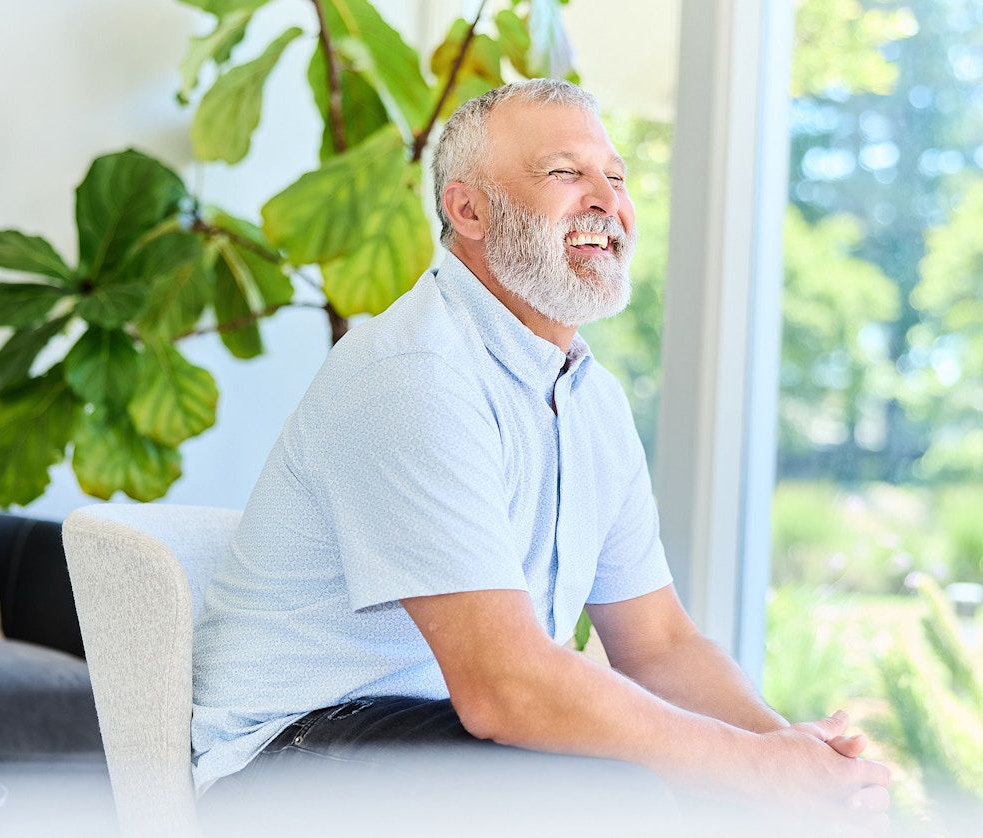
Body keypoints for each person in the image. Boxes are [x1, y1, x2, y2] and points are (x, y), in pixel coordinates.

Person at [191, 79, 890, 833]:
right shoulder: (413, 374)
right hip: (293, 751)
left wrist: (787, 754)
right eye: (566, 173)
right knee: (618, 793)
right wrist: (754, 770)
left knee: (700, 782)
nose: (607, 201)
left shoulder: (592, 400)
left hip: (450, 733)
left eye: (616, 177)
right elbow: (506, 688)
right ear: (469, 211)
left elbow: (660, 646)